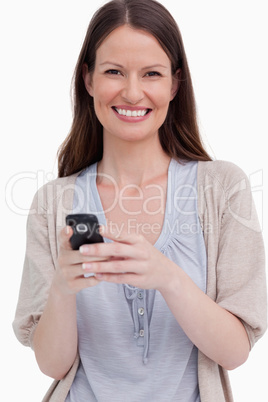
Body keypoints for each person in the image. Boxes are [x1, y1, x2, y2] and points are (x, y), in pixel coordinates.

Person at [13, 0, 267, 401]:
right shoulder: (55, 203)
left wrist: (167, 276)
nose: (132, 92)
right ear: (89, 80)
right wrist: (62, 288)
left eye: (152, 74)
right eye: (114, 71)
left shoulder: (223, 188)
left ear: (174, 84)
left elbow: (234, 352)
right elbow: (53, 365)